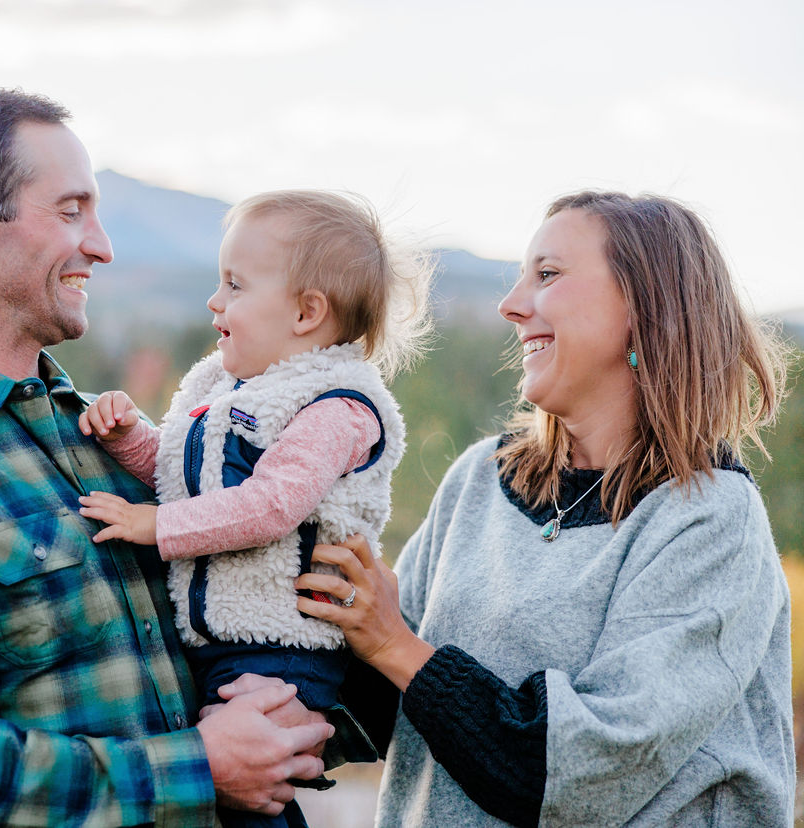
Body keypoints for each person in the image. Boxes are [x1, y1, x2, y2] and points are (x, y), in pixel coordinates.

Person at [0, 89, 344, 827]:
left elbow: (251, 653)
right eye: (70, 210)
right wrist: (199, 767)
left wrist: (342, 678)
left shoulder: (117, 441)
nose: (102, 245)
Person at [297, 191, 795, 826]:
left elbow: (574, 773)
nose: (511, 305)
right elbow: (387, 699)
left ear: (644, 307)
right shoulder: (479, 477)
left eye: (548, 274)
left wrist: (392, 642)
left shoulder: (710, 519)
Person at [75, 190, 434, 827]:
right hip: (221, 642)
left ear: (306, 312)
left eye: (235, 285)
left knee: (254, 790)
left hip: (283, 647)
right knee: (227, 790)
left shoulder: (336, 408)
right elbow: (185, 481)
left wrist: (153, 527)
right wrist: (127, 438)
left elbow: (269, 507)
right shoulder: (225, 387)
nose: (215, 301)